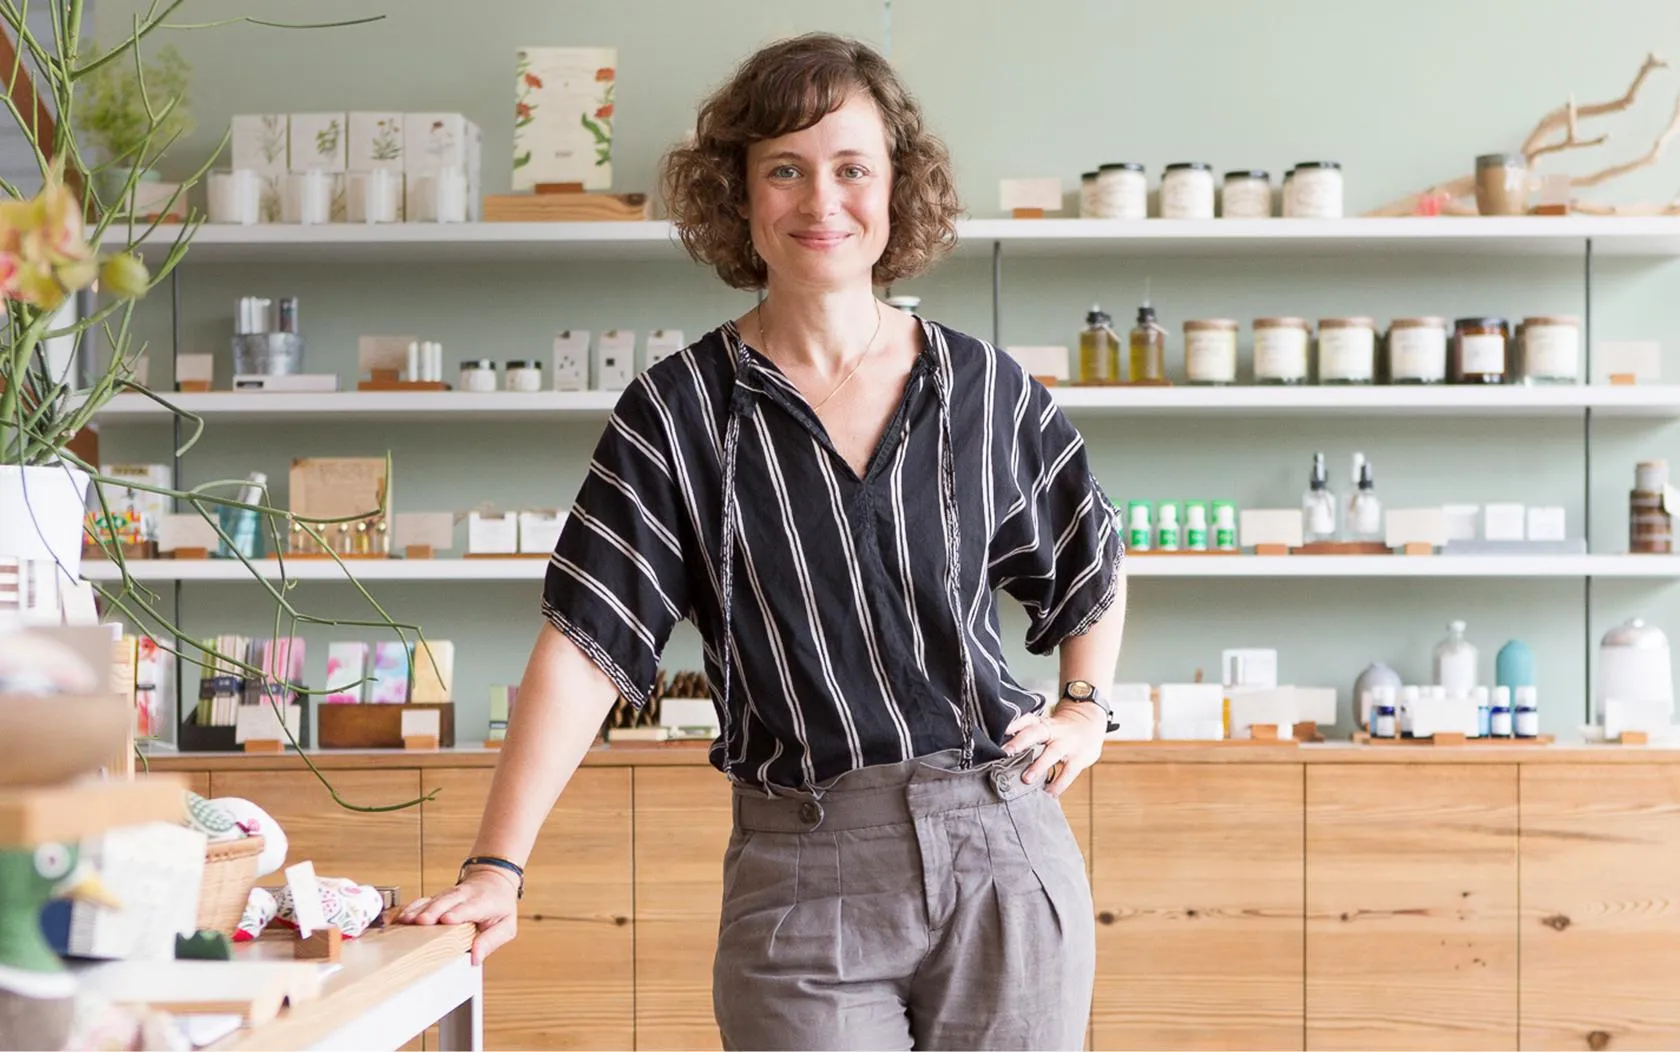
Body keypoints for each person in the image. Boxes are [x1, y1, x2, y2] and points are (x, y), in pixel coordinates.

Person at [398, 31, 1127, 1051]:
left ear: (897, 187)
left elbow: (1091, 552)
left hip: (1002, 843)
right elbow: (585, 645)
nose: (822, 200)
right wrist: (496, 866)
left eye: (852, 168)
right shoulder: (678, 413)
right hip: (804, 873)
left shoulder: (984, 388)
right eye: (785, 168)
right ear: (738, 195)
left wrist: (1085, 707)